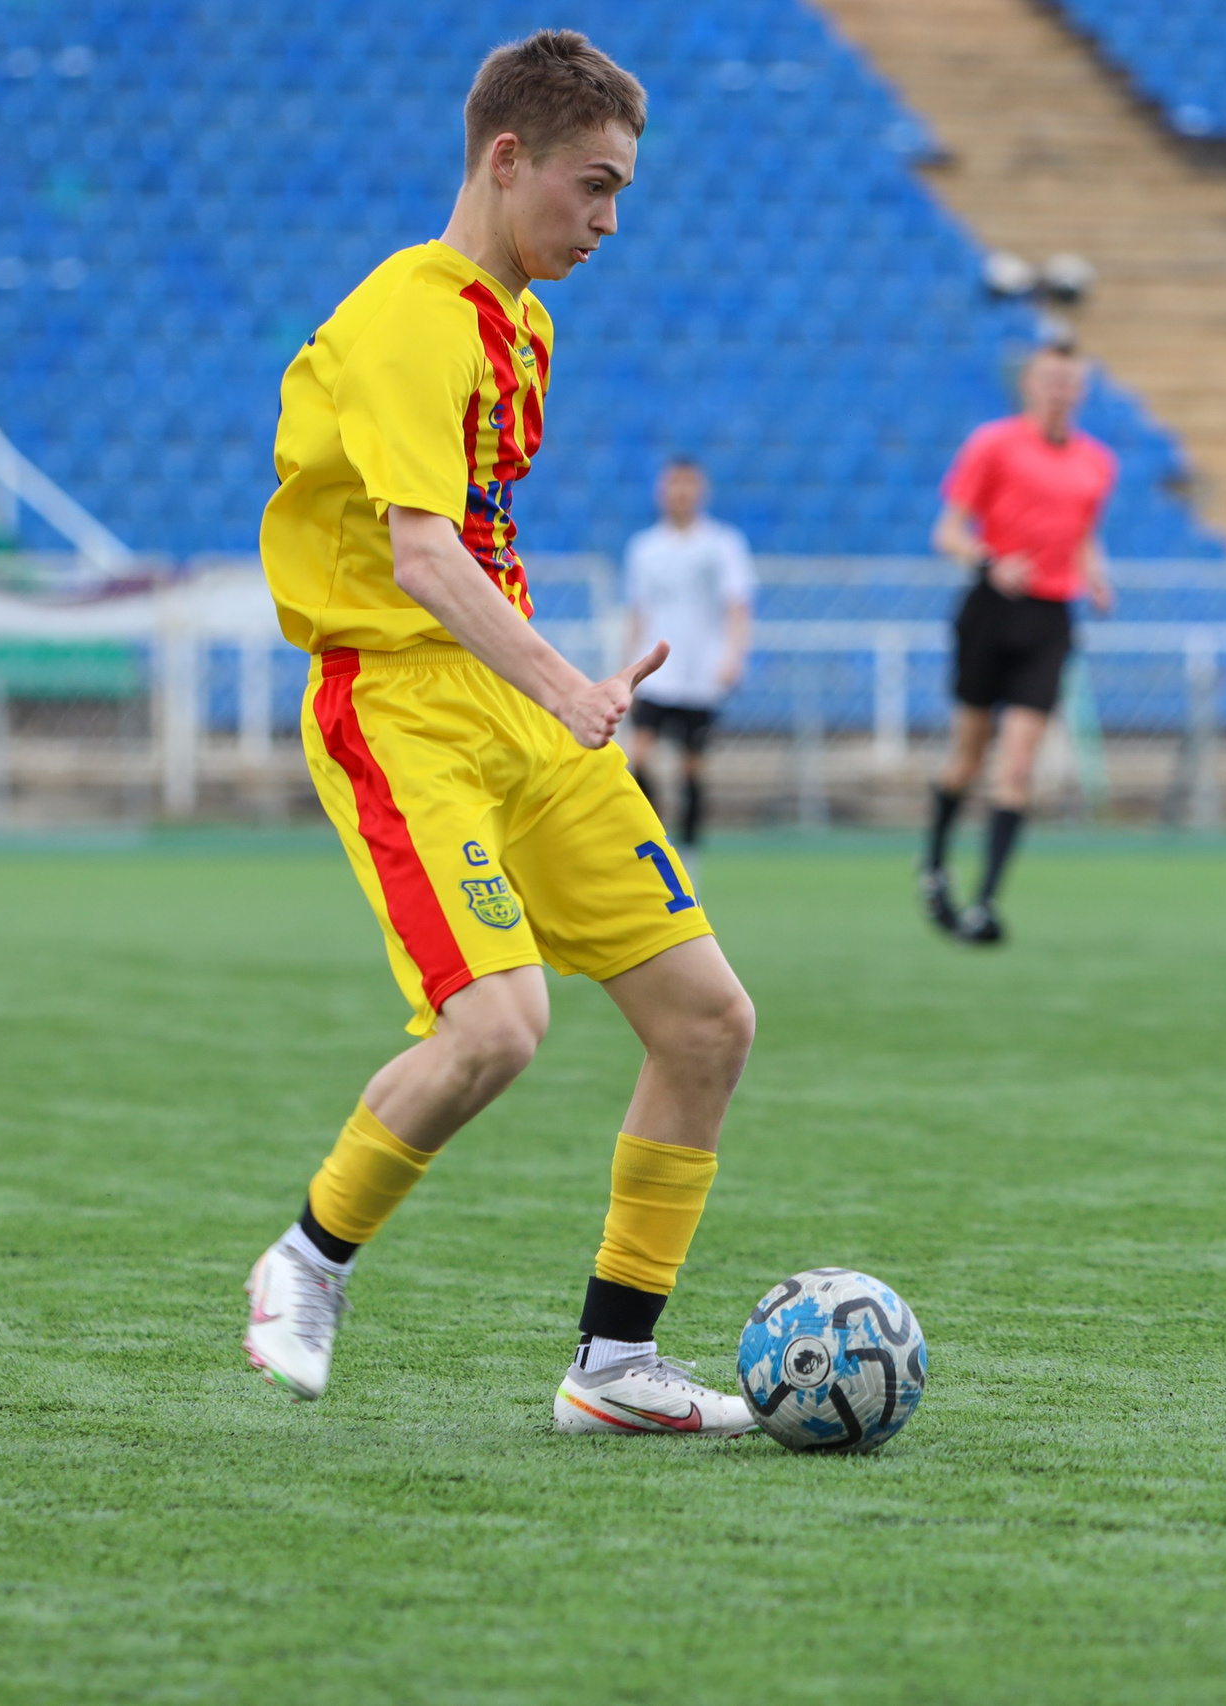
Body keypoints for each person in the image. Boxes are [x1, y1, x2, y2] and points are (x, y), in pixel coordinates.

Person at [245, 32, 760, 1438]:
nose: (608, 222)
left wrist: (548, 688)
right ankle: (306, 1257)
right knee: (498, 1026)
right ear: (506, 157)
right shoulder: (411, 316)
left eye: (623, 195)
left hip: (520, 706)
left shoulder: (523, 323)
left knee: (708, 1020)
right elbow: (419, 557)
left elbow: (477, 536)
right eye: (594, 188)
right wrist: (568, 683)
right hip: (403, 707)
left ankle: (613, 1366)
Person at [919, 335, 1117, 946]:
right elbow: (947, 532)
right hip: (990, 606)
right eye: (1050, 379)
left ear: (1080, 391)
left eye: (1070, 381)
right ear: (1031, 385)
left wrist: (1097, 577)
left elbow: (1081, 533)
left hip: (1051, 616)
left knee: (1020, 761)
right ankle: (934, 865)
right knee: (968, 756)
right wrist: (990, 561)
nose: (1060, 391)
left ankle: (984, 903)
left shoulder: (1097, 462)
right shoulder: (993, 444)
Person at [622, 456, 755, 849]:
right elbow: (638, 612)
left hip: (700, 673)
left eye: (687, 484)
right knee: (638, 757)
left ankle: (690, 857)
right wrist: (625, 667)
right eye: (673, 484)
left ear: (700, 490)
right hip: (655, 672)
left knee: (691, 767)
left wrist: (734, 654)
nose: (680, 492)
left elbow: (738, 604)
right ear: (662, 491)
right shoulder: (644, 548)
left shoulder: (722, 543)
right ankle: (650, 842)